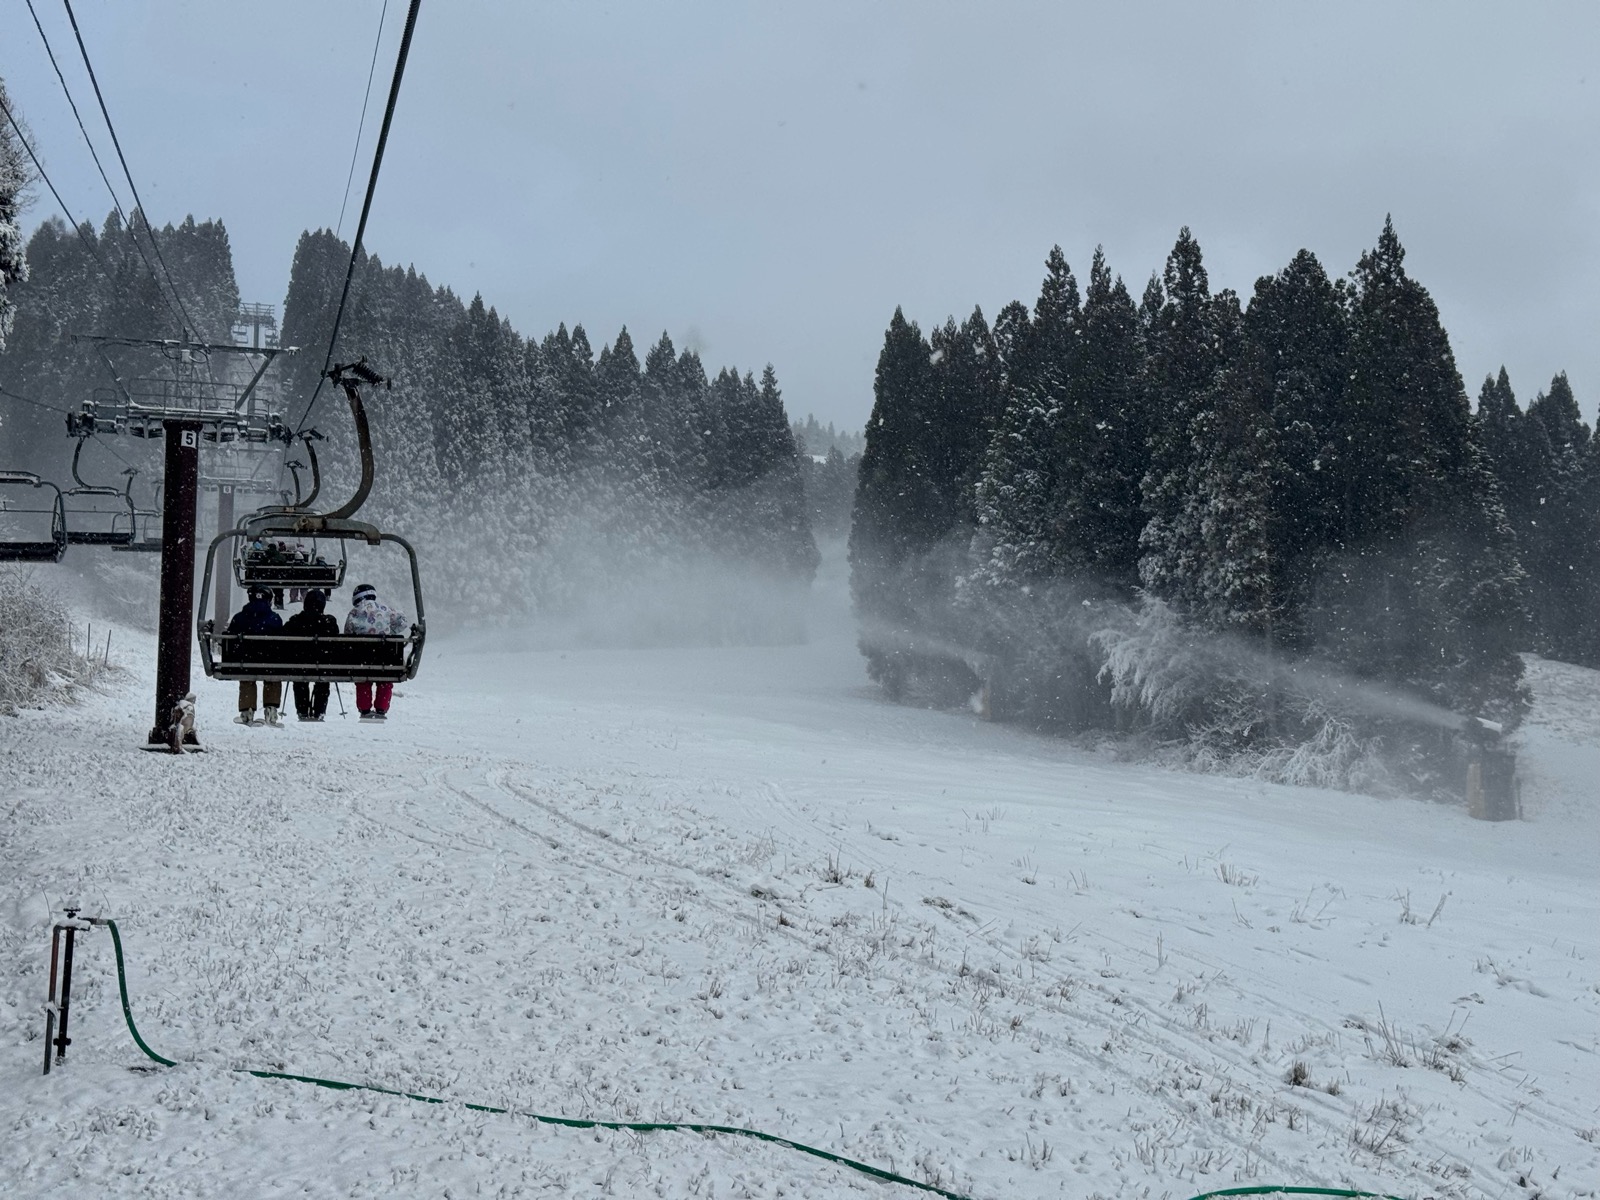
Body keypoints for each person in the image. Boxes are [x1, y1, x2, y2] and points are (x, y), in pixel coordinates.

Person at [344, 582, 407, 720]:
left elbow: (348, 634)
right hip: (385, 659)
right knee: (385, 681)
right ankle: (381, 708)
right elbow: (403, 622)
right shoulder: (385, 609)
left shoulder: (354, 612)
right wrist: (391, 632)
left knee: (363, 682)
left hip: (362, 659)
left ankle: (365, 709)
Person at [228, 585, 284, 726]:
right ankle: (271, 709)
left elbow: (229, 638)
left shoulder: (239, 618)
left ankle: (247, 711)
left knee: (247, 676)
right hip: (270, 663)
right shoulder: (275, 619)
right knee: (273, 675)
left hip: (245, 663)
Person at [284, 589, 338, 721]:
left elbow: (284, 640)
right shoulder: (329, 623)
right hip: (323, 665)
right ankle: (319, 710)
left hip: (300, 664)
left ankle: (302, 710)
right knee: (323, 680)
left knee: (300, 680)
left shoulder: (295, 621)